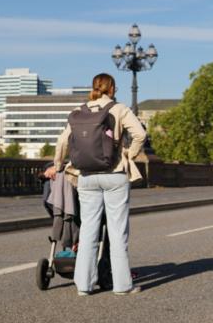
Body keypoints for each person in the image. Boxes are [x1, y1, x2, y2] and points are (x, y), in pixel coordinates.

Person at [47, 73, 146, 296]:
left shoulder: (80, 111)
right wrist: (129, 154)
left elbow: (62, 142)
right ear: (112, 88)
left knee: (89, 230)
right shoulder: (118, 109)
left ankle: (83, 285)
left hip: (86, 176)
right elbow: (140, 134)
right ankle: (122, 286)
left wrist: (58, 165)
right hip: (114, 174)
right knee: (117, 231)